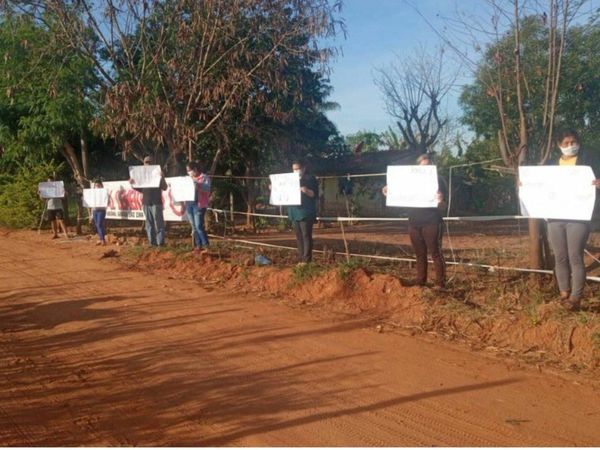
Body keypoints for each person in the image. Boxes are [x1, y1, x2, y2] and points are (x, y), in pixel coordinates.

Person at [545, 129, 600, 310]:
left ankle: (576, 297)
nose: (570, 146)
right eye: (566, 143)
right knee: (560, 257)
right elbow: (540, 185)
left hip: (578, 217)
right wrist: (526, 185)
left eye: (573, 142)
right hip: (555, 217)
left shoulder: (590, 161)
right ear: (558, 145)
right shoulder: (552, 165)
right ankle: (564, 293)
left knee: (575, 256)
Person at [382, 153, 447, 289]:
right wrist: (389, 191)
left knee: (435, 252)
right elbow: (399, 193)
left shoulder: (439, 181)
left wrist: (440, 200)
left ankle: (440, 283)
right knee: (419, 253)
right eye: (422, 166)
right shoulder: (409, 181)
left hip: (432, 222)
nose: (425, 169)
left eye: (428, 166)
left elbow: (444, 206)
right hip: (414, 222)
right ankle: (420, 280)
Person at [130, 155, 168, 246]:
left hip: (156, 202)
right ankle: (152, 243)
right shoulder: (142, 175)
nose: (148, 164)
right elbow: (139, 189)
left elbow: (165, 187)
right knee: (149, 223)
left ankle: (161, 243)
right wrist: (132, 184)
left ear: (153, 163)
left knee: (158, 223)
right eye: (146, 162)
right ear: (143, 164)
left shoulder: (157, 174)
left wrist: (162, 177)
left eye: (150, 162)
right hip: (146, 203)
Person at [288, 160, 319, 265]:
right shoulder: (289, 180)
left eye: (297, 169)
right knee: (298, 236)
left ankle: (307, 260)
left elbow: (314, 194)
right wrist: (274, 188)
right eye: (294, 169)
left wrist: (306, 190)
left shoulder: (310, 179)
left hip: (305, 211)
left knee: (306, 235)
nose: (296, 171)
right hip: (294, 211)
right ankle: (301, 258)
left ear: (303, 168)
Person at [185, 161, 211, 252]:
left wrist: (198, 185)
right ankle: (198, 246)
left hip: (199, 205)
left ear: (195, 169)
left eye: (189, 170)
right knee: (194, 227)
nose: (188, 172)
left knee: (199, 226)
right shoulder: (187, 179)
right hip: (189, 204)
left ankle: (206, 245)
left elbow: (207, 188)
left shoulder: (204, 177)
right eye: (187, 171)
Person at [91, 180, 107, 246]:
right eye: (96, 185)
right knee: (98, 225)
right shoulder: (92, 193)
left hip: (101, 210)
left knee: (99, 224)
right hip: (95, 210)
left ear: (101, 186)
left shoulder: (104, 192)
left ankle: (102, 239)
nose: (97, 187)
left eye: (98, 185)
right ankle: (102, 239)